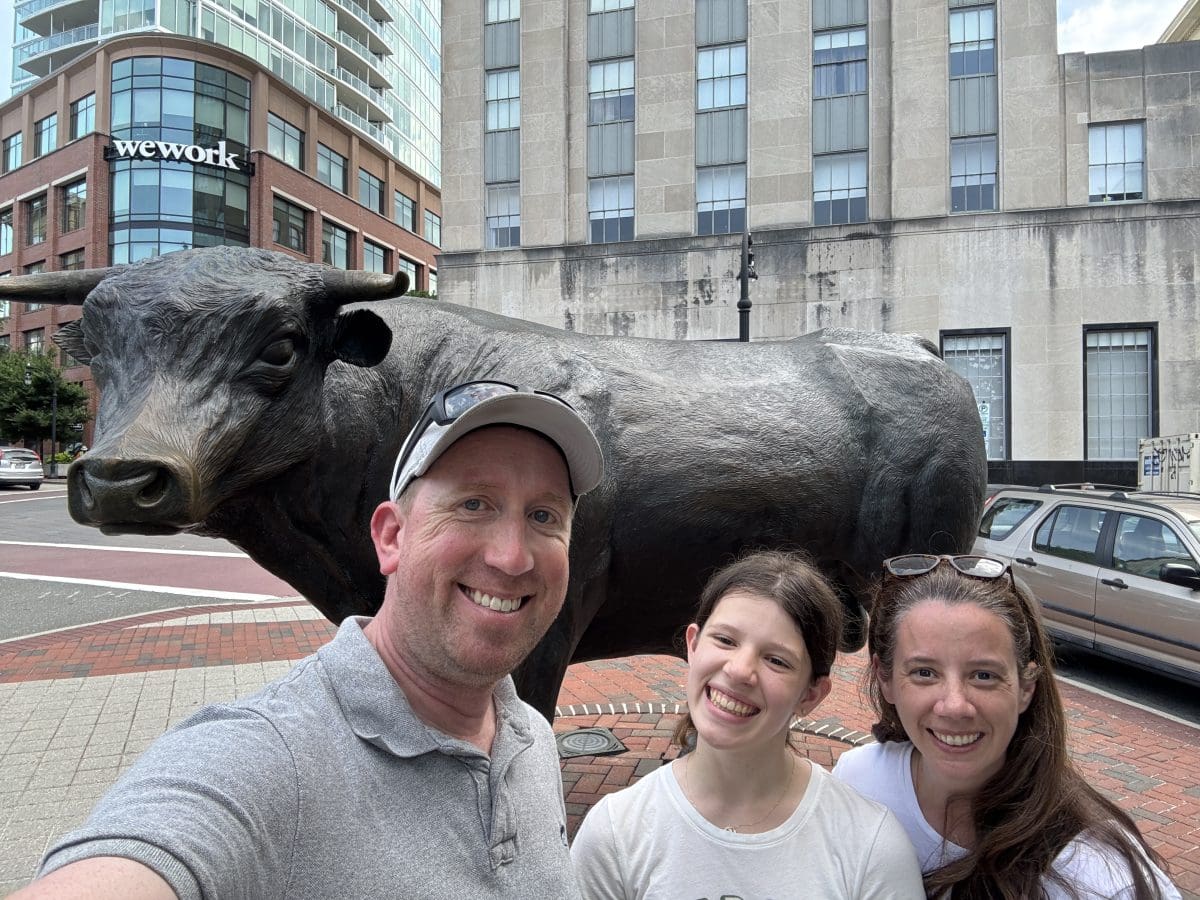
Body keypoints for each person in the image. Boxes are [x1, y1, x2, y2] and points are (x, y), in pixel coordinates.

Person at [16, 380, 605, 900]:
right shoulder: (268, 760)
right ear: (391, 537)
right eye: (473, 504)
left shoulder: (529, 736)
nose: (512, 556)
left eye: (544, 516)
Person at [570, 550, 924, 900]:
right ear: (693, 645)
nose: (739, 670)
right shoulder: (615, 834)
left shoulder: (870, 846)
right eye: (725, 640)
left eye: (776, 660)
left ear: (811, 695)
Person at [833, 554, 1181, 900]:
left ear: (1026, 688)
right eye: (924, 672)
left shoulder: (1104, 879)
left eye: (983, 675)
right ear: (885, 679)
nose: (954, 705)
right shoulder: (857, 783)